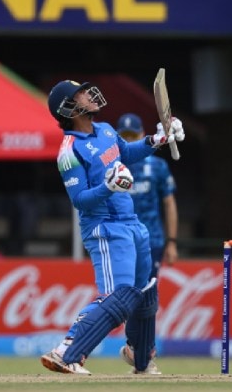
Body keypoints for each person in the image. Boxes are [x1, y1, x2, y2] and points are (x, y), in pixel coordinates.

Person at [40, 80, 185, 375]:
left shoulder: (105, 130)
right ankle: (67, 350)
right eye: (81, 93)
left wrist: (157, 139)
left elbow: (126, 153)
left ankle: (140, 357)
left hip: (132, 222)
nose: (89, 95)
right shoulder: (69, 151)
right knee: (119, 296)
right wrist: (108, 187)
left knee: (144, 292)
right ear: (68, 108)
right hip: (105, 228)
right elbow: (80, 200)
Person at [114, 112, 180, 373]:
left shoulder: (158, 166)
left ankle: (143, 353)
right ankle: (138, 348)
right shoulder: (115, 164)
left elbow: (169, 203)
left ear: (142, 135)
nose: (130, 139)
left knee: (146, 294)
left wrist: (172, 241)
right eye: (125, 136)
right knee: (129, 294)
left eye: (134, 135)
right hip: (123, 240)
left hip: (152, 239)